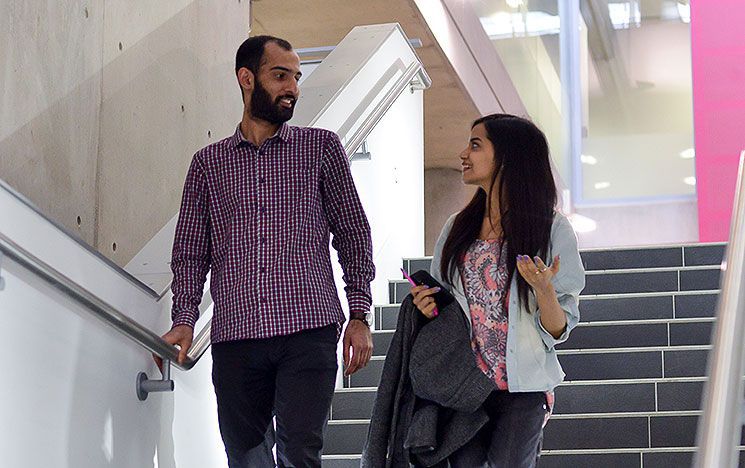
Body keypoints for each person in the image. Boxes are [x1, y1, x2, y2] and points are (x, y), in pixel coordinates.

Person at [156, 35, 376, 468]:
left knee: (298, 451)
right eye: (280, 75)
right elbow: (190, 249)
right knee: (246, 457)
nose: (292, 86)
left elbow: (353, 233)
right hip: (236, 337)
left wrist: (359, 314)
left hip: (308, 329)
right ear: (246, 78)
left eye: (296, 76)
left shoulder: (320, 149)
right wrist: (183, 319)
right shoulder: (208, 164)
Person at [410, 113, 585, 467]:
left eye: (476, 145)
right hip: (464, 384)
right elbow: (446, 307)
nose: (464, 153)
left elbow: (558, 329)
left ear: (508, 156)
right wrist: (427, 304)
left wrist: (544, 290)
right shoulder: (456, 227)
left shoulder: (551, 230)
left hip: (522, 388)